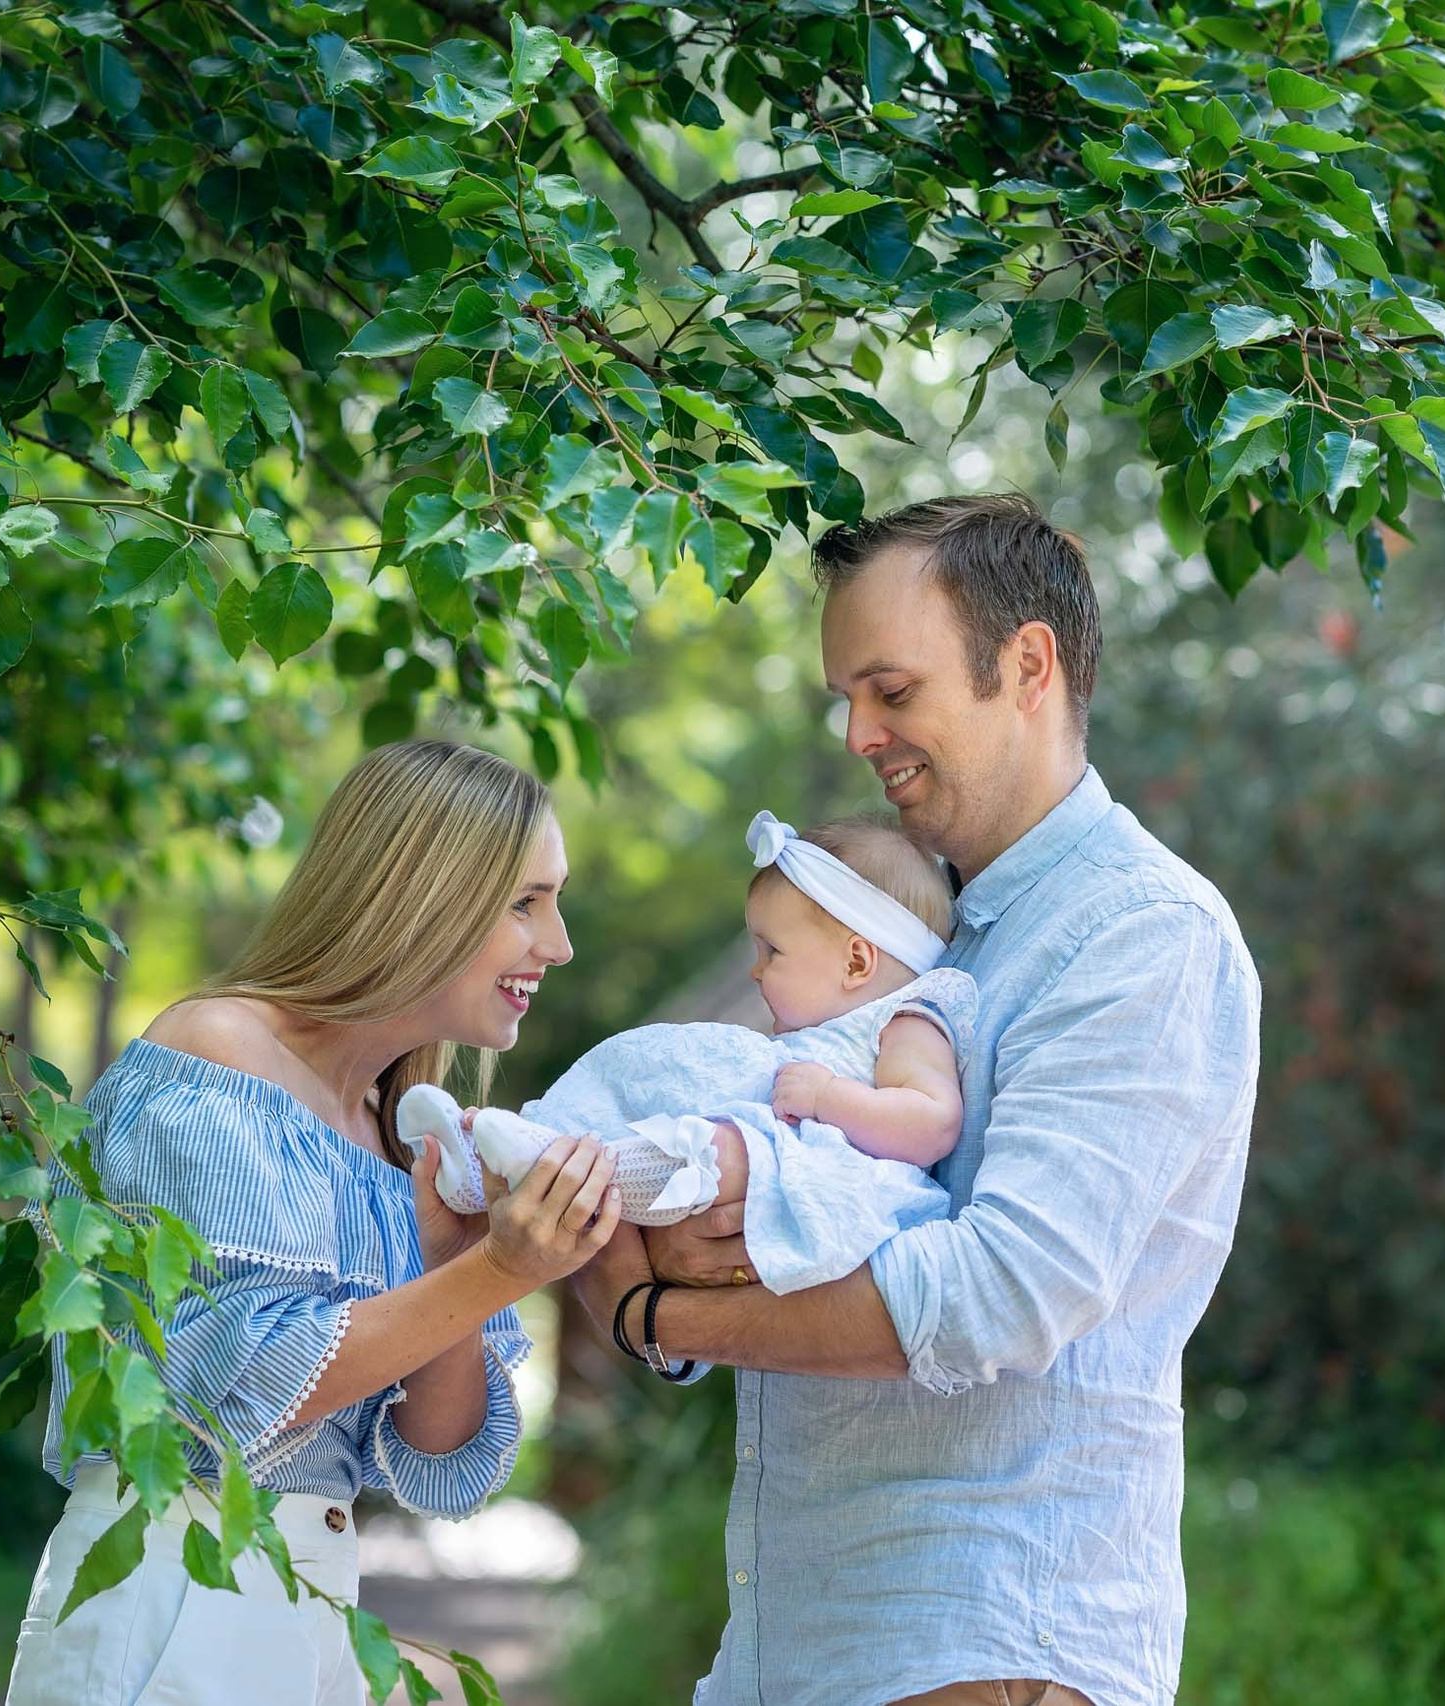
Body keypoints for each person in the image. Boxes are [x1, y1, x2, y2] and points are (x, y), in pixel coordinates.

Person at [572, 494, 1265, 1706]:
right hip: (799, 1640)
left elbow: (1000, 1293)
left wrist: (660, 1316)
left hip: (985, 1642)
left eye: (891, 690)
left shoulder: (1137, 936)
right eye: (846, 696)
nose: (856, 730)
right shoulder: (884, 932)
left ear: (1028, 664)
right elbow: (700, 1181)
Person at [3, 740, 620, 1706]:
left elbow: (443, 1469)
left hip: (311, 1607)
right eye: (525, 902)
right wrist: (494, 1276)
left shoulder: (397, 1132)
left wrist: (452, 1265)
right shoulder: (219, 1059)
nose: (559, 942)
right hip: (172, 1588)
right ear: (424, 894)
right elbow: (231, 1384)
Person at [398, 811, 975, 1295]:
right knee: (646, 1077)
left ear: (856, 962)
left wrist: (828, 1097)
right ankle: (483, 1163)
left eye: (772, 950)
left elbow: (933, 1124)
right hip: (772, 1150)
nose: (756, 969)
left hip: (830, 1175)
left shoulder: (907, 1021)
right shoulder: (812, 1037)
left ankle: (554, 1165)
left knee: (722, 1146)